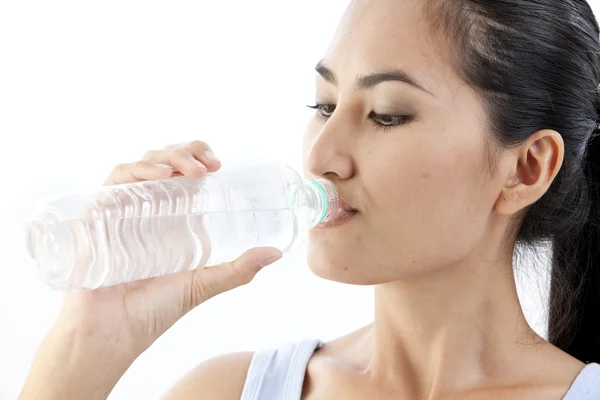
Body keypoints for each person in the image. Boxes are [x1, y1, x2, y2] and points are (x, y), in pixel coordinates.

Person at [18, 0, 600, 399]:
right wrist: (87, 344)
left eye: (386, 115)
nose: (322, 154)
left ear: (526, 168)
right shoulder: (228, 392)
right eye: (323, 105)